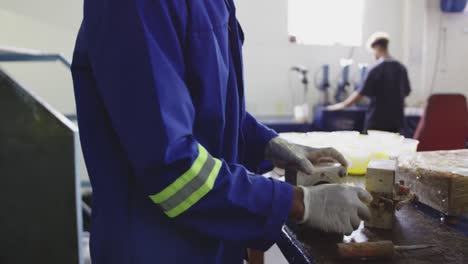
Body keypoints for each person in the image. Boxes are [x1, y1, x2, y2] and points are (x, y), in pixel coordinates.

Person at [71, 1, 371, 263]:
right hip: (155, 247)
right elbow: (173, 169)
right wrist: (298, 202)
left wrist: (268, 143)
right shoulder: (138, 6)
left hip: (209, 243)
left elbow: (211, 105)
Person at [327, 32, 412, 133]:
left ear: (376, 47)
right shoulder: (401, 68)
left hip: (377, 123)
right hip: (396, 122)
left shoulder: (376, 68)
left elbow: (360, 94)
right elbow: (407, 92)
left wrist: (342, 105)